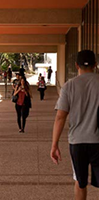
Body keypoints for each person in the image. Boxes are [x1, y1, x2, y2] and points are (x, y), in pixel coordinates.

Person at [50, 50, 99, 200]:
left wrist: (54, 145)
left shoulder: (69, 86)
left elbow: (60, 117)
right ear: (95, 65)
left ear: (76, 65)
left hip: (77, 142)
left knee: (80, 181)